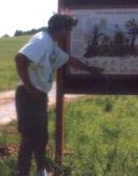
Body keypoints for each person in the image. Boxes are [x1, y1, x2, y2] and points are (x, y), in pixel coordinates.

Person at [14, 14, 102, 176]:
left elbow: (69, 60)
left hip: (38, 96)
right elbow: (20, 58)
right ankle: (23, 173)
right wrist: (30, 88)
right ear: (61, 28)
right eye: (68, 30)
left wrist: (90, 70)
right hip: (29, 96)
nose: (69, 34)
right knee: (29, 139)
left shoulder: (52, 45)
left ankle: (41, 171)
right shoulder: (42, 40)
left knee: (41, 136)